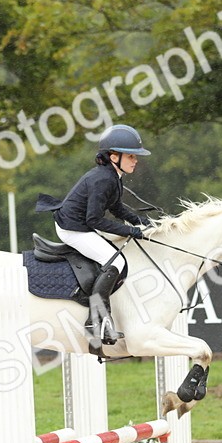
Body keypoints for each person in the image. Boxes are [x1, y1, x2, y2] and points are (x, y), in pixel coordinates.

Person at [38, 124, 152, 347]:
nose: (135, 160)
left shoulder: (113, 176)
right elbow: (94, 221)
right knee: (116, 261)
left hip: (81, 223)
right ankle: (96, 320)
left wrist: (140, 221)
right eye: (131, 156)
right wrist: (131, 231)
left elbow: (116, 208)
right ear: (113, 156)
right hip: (73, 228)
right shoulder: (103, 179)